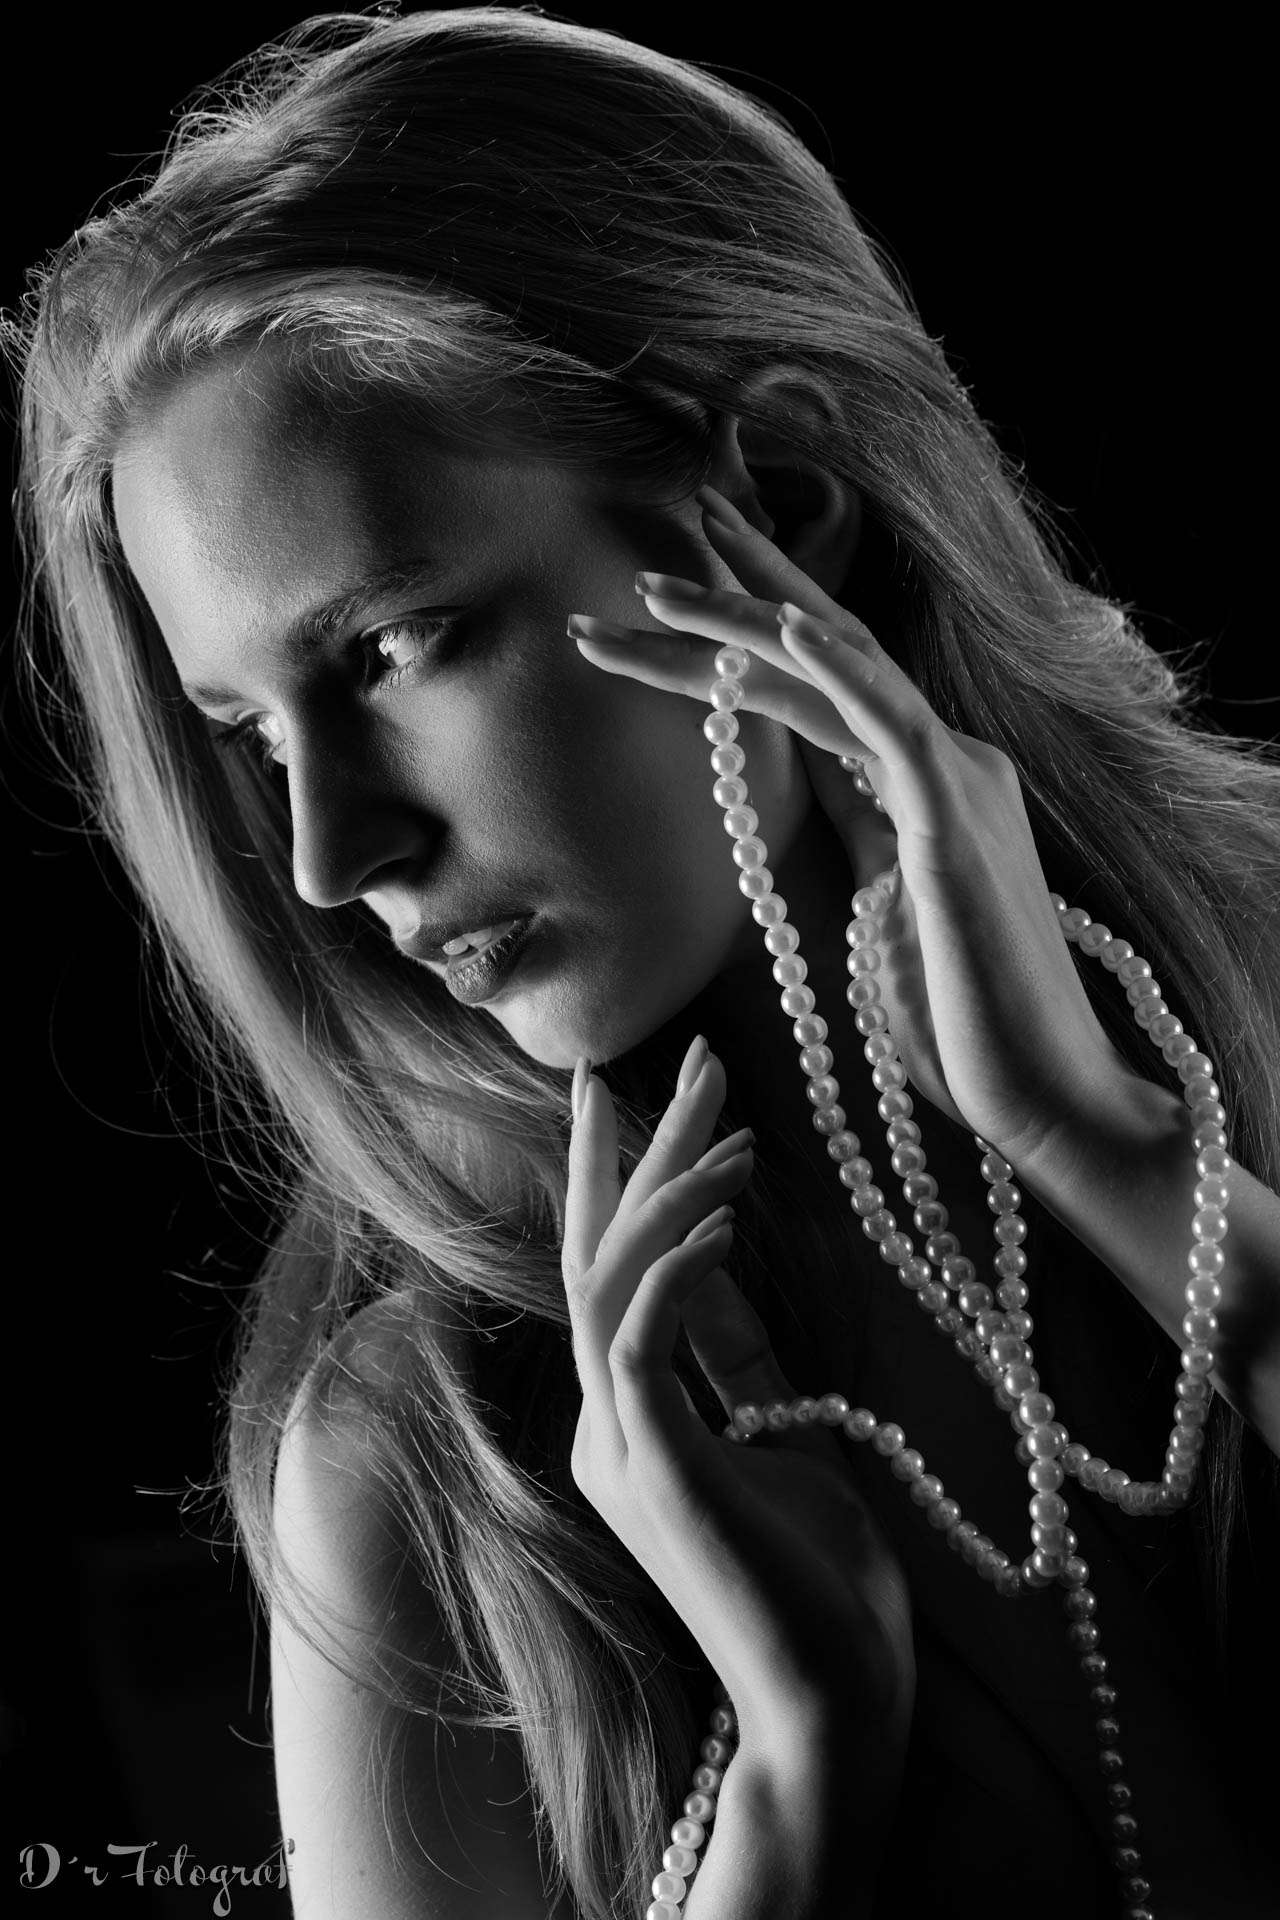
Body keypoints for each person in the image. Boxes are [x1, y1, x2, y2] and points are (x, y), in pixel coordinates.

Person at [9, 9, 1279, 1917]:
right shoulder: (428, 1476)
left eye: (393, 646)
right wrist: (793, 1774)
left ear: (774, 502)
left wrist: (1110, 1148)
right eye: (255, 735)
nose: (332, 854)